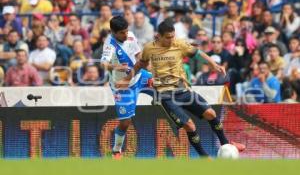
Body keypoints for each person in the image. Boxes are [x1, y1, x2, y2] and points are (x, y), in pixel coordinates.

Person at [124, 20, 245, 157]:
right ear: (159, 36)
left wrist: (214, 65)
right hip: (165, 96)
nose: (171, 40)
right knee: (190, 126)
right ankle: (205, 158)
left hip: (184, 91)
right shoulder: (149, 48)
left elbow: (198, 53)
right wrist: (127, 79)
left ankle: (226, 143)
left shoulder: (179, 44)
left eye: (173, 36)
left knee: (211, 114)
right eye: (168, 37)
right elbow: (141, 63)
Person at [100, 16, 152, 159]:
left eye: (126, 31)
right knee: (125, 122)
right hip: (122, 86)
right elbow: (103, 64)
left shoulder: (130, 36)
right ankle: (116, 150)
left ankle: (158, 99)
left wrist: (147, 65)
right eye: (122, 33)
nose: (125, 34)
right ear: (113, 32)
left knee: (162, 84)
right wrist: (116, 66)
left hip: (139, 76)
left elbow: (138, 54)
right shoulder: (109, 44)